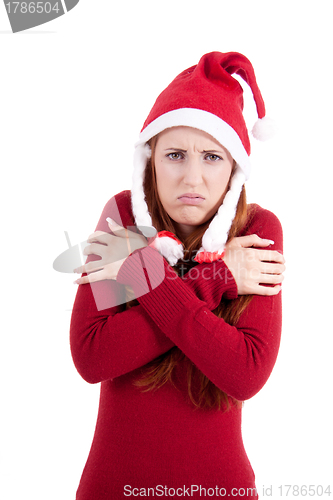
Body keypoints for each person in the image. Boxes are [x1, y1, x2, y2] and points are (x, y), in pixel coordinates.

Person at [70, 51, 285, 499]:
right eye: (174, 154)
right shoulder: (124, 215)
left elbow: (245, 372)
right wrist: (216, 276)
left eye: (211, 156)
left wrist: (143, 270)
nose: (193, 177)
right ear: (149, 161)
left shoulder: (258, 231)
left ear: (234, 169)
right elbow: (93, 357)